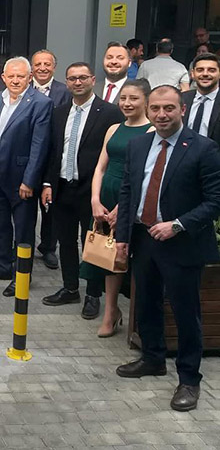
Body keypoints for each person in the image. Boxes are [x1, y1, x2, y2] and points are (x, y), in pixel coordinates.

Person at [114, 85, 220, 412]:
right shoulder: (138, 145)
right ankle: (153, 358)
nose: (162, 115)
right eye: (156, 108)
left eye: (169, 108)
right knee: (146, 303)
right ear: (148, 110)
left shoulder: (203, 148)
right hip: (143, 238)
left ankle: (189, 378)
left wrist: (178, 224)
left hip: (182, 243)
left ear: (182, 109)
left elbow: (215, 200)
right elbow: (128, 192)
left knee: (186, 312)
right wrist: (122, 237)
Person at [40, 62, 125, 318]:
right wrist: (47, 183)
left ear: (92, 79)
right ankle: (70, 288)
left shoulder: (110, 113)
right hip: (62, 187)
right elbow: (53, 151)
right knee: (66, 241)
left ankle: (93, 295)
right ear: (66, 82)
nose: (78, 82)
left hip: (93, 191)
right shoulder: (59, 112)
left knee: (94, 243)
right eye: (72, 78)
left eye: (82, 78)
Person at [0, 56, 53, 297]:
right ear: (4, 77)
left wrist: (30, 180)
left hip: (21, 178)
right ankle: (1, 266)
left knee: (23, 230)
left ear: (30, 78)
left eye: (21, 76)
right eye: (11, 76)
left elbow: (40, 145)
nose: (16, 80)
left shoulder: (41, 103)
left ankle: (22, 276)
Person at [87, 79, 152, 337]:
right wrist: (95, 199)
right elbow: (100, 167)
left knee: (130, 256)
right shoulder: (114, 128)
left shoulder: (151, 131)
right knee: (108, 255)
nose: (127, 103)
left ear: (146, 101)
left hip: (131, 198)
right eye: (123, 98)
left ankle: (138, 316)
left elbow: (145, 175)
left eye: (133, 98)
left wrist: (121, 208)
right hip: (106, 195)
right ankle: (110, 312)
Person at [30, 49, 70, 269]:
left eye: (47, 64)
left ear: (54, 67)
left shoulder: (65, 91)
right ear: (32, 67)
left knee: (50, 206)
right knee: (27, 205)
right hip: (28, 157)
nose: (42, 68)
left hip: (54, 156)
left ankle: (48, 247)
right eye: (38, 64)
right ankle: (24, 245)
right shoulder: (23, 88)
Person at [182, 53, 220, 142]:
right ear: (192, 74)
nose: (205, 74)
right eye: (200, 70)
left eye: (211, 70)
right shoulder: (182, 99)